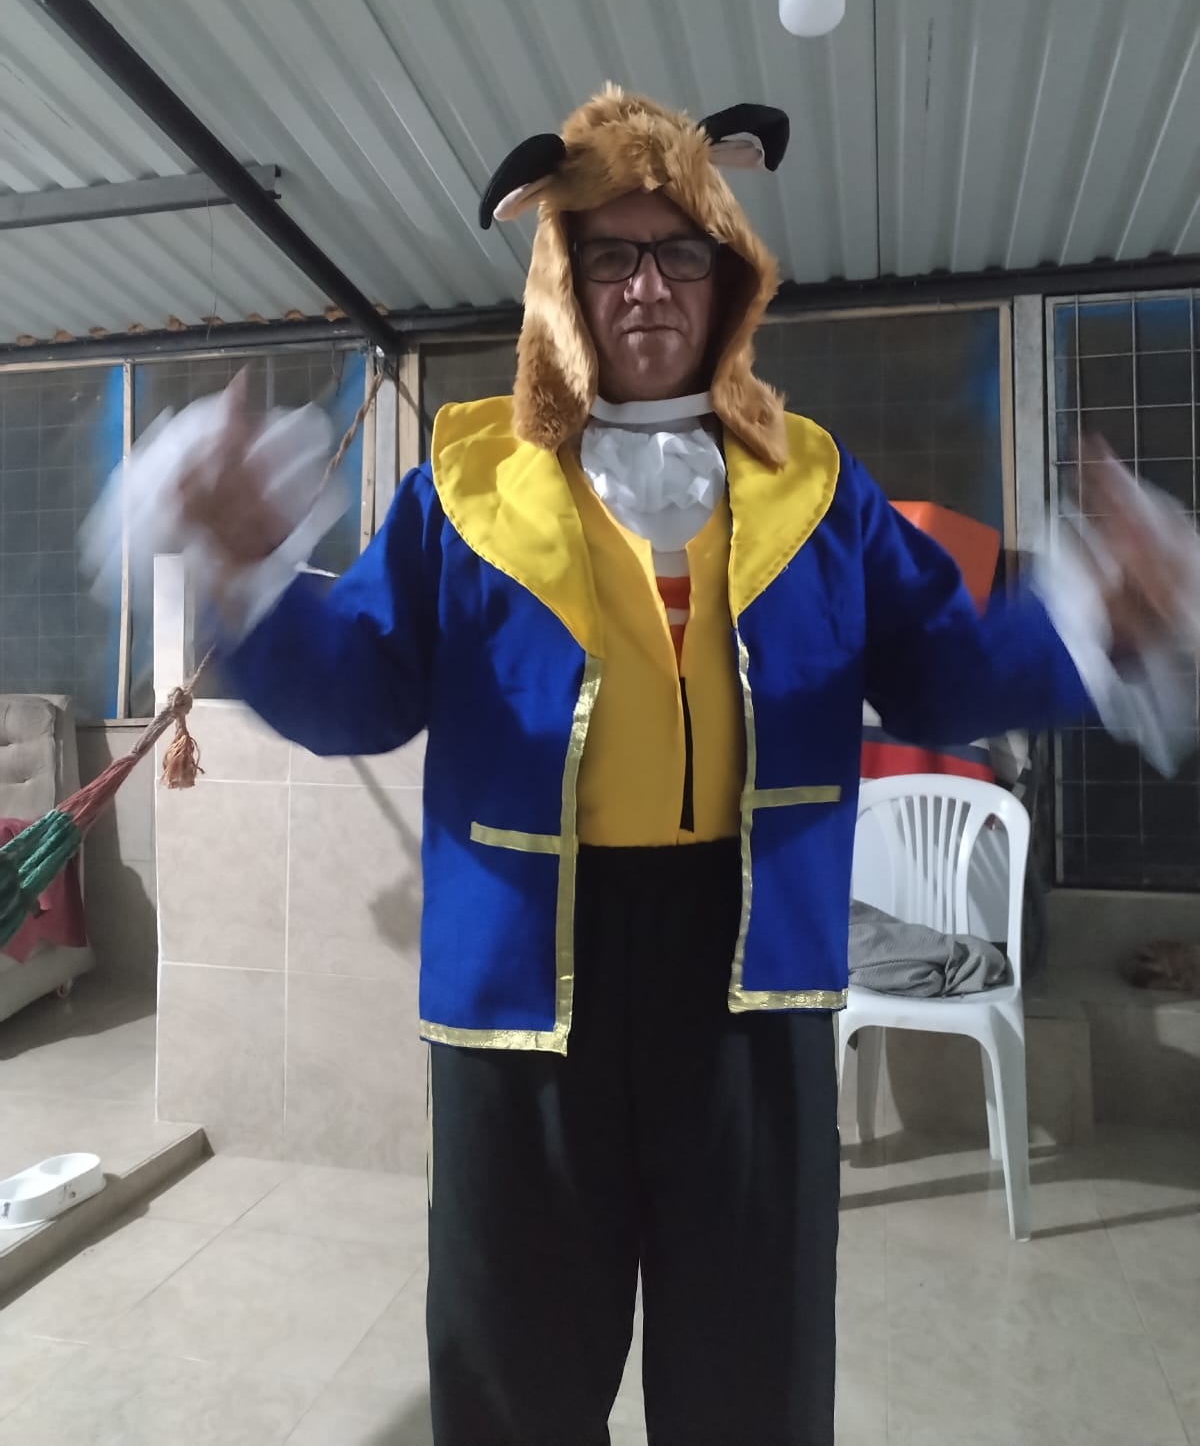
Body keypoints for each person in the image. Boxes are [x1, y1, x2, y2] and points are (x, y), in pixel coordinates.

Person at [107, 88, 1198, 1446]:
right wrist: (248, 582)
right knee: (514, 1370)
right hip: (524, 987)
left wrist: (1106, 621)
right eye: (610, 254)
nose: (646, 284)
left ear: (728, 274)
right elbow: (359, 690)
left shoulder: (817, 487)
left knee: (753, 1368)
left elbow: (943, 669)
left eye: (679, 250)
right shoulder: (466, 486)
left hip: (752, 968)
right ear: (562, 281)